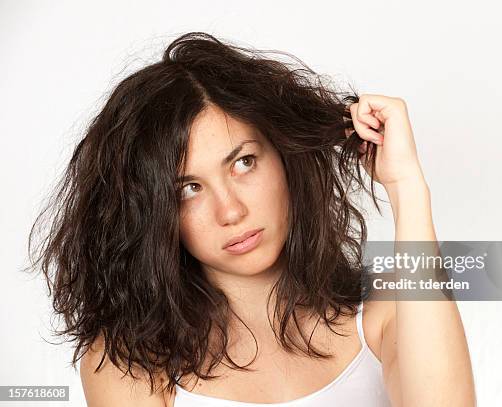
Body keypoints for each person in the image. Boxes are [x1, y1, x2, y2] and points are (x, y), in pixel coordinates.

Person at [27, 32, 476, 406]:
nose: (232, 211)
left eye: (243, 163)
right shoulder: (133, 362)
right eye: (188, 189)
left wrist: (406, 186)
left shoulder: (384, 311)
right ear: (152, 215)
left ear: (283, 155)